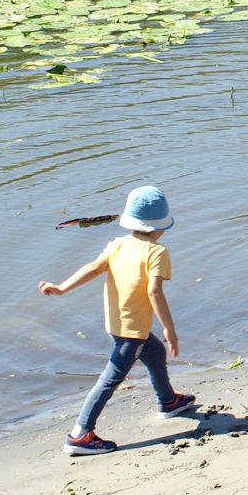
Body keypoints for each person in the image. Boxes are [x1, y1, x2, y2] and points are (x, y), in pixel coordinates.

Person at [38, 185, 196, 456]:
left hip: (116, 323)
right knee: (110, 379)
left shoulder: (118, 244)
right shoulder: (157, 252)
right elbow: (154, 292)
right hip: (132, 331)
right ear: (161, 226)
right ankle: (80, 434)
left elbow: (94, 267)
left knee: (155, 353)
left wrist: (62, 288)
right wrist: (169, 329)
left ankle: (168, 401)